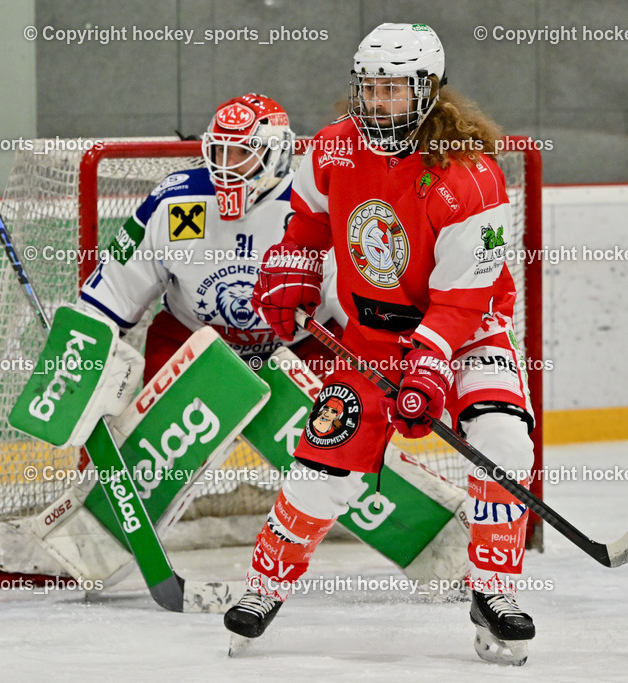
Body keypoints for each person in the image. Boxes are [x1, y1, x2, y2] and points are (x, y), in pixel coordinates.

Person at [225, 23, 538, 666]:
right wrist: (293, 270)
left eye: (393, 90)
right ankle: (264, 586)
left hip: (468, 333)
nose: (377, 103)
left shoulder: (469, 179)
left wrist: (427, 369)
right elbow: (307, 219)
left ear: (428, 93)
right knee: (321, 469)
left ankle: (495, 592)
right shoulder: (335, 150)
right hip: (369, 341)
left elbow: (462, 300)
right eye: (369, 89)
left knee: (503, 441)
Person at [80, 93, 331, 383]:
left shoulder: (314, 204)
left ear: (277, 153)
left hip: (303, 349)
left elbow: (348, 297)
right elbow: (112, 290)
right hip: (193, 343)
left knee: (335, 421)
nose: (226, 165)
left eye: (242, 151)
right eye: (219, 151)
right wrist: (82, 354)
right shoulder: (176, 201)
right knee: (158, 428)